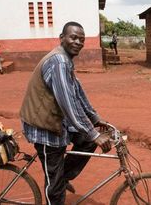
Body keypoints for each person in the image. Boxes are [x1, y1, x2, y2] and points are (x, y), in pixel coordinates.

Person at [20, 21, 111, 204]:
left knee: (87, 141)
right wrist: (93, 133)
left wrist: (94, 118)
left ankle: (62, 178)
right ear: (62, 38)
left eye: (82, 39)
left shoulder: (65, 60)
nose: (78, 42)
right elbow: (68, 103)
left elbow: (77, 92)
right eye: (73, 37)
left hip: (56, 123)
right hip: (44, 128)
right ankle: (57, 185)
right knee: (54, 187)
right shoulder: (59, 61)